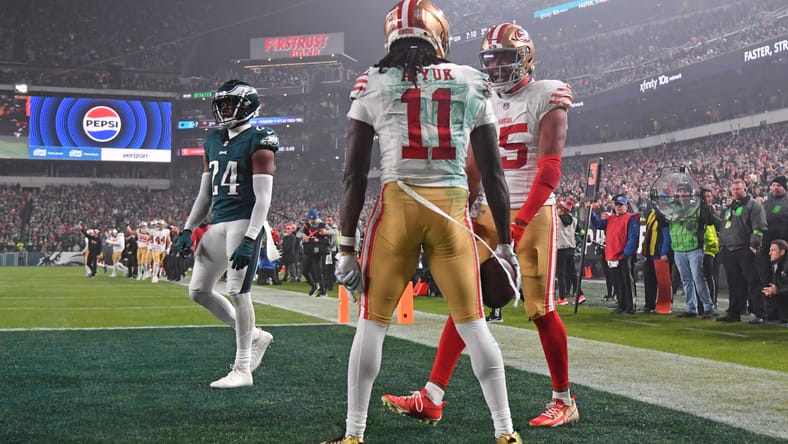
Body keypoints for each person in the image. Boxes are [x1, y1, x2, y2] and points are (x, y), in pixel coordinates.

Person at [323, 3, 522, 443]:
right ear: (439, 35)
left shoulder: (372, 81)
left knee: (372, 324)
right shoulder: (472, 80)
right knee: (474, 324)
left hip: (398, 207)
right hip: (451, 211)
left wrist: (345, 246)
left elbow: (354, 174)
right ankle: (505, 432)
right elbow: (493, 174)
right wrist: (505, 246)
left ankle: (355, 434)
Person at [384, 20, 577, 430]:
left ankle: (563, 399)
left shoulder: (547, 94)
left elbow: (549, 170)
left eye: (506, 59)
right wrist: (467, 204)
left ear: (525, 57)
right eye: (491, 59)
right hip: (491, 210)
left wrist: (521, 222)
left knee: (539, 309)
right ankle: (432, 395)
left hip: (533, 208)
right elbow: (474, 163)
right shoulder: (481, 95)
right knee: (464, 298)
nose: (498, 67)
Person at [172, 79, 279, 388]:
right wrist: (188, 228)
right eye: (221, 105)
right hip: (219, 222)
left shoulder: (260, 139)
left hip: (245, 220)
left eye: (230, 104)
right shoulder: (212, 140)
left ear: (247, 105)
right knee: (198, 291)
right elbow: (205, 193)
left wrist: (250, 236)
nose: (224, 110)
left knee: (238, 291)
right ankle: (256, 335)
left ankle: (243, 368)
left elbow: (264, 197)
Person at [717, 179, 768, 323]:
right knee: (734, 284)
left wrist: (754, 245)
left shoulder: (754, 206)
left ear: (745, 189)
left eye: (738, 189)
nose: (735, 191)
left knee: (753, 282)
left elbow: (759, 227)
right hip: (729, 250)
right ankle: (734, 313)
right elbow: (725, 227)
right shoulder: (730, 208)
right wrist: (723, 246)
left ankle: (760, 314)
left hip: (745, 249)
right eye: (733, 189)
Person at [669, 184, 715, 318]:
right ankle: (691, 308)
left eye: (686, 192)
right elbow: (663, 222)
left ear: (690, 194)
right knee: (686, 280)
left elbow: (710, 221)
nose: (683, 194)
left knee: (698, 278)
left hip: (694, 247)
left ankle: (708, 307)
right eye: (681, 191)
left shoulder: (697, 207)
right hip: (678, 248)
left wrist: (703, 205)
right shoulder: (671, 208)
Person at [589, 195, 639, 314]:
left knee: (627, 280)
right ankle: (621, 305)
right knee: (617, 281)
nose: (618, 207)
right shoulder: (611, 219)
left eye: (621, 205)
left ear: (626, 206)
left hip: (623, 254)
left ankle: (630, 306)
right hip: (613, 254)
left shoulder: (631, 218)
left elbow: (633, 238)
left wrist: (626, 253)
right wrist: (590, 210)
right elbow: (597, 224)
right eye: (616, 204)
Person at [641, 208, 671, 314]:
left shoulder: (666, 214)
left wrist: (664, 252)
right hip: (650, 252)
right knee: (649, 280)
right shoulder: (652, 214)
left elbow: (667, 235)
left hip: (659, 253)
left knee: (663, 282)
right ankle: (649, 304)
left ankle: (664, 305)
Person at [300, 209, 329, 296]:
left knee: (318, 272)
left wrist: (315, 240)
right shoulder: (307, 226)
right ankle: (313, 285)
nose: (312, 221)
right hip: (307, 251)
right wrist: (303, 236)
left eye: (313, 219)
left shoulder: (322, 226)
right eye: (310, 219)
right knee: (304, 272)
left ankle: (323, 290)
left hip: (317, 252)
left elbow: (326, 240)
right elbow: (299, 234)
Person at [763, 239, 788, 325]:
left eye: (773, 250)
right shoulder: (775, 264)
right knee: (769, 314)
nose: (770, 253)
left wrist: (778, 290)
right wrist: (770, 291)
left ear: (782, 252)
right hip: (783, 296)